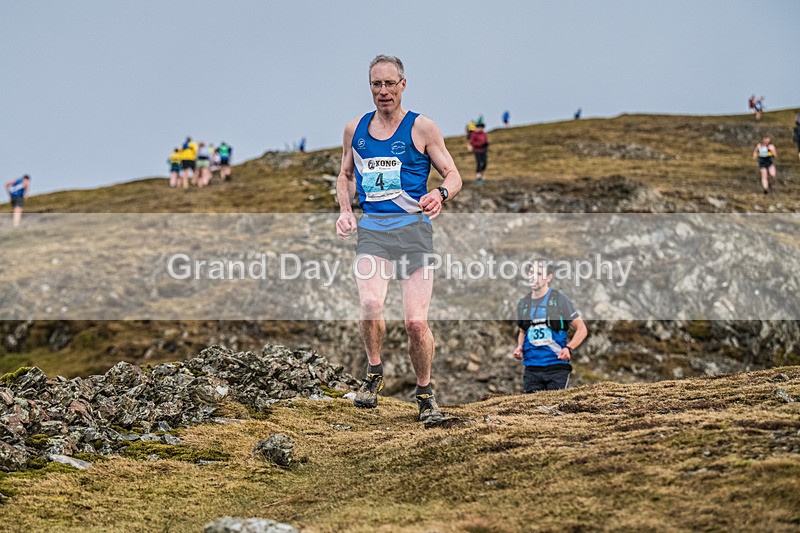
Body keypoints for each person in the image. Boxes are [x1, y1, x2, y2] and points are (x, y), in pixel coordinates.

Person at [335, 54, 463, 423]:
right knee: (371, 304)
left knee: (415, 323)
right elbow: (345, 175)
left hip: (414, 232)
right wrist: (346, 211)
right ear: (370, 87)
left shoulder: (422, 128)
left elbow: (453, 174)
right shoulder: (354, 130)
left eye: (391, 83)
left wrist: (440, 195)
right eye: (377, 84)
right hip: (373, 231)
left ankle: (425, 393)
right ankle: (374, 373)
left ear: (403, 85)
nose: (384, 91)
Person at [513, 259, 588, 392]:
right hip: (531, 369)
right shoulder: (524, 303)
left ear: (548, 277)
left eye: (539, 273)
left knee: (553, 410)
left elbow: (581, 329)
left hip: (556, 368)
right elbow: (523, 331)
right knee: (532, 411)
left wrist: (569, 348)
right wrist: (519, 347)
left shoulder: (559, 299)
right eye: (531, 273)